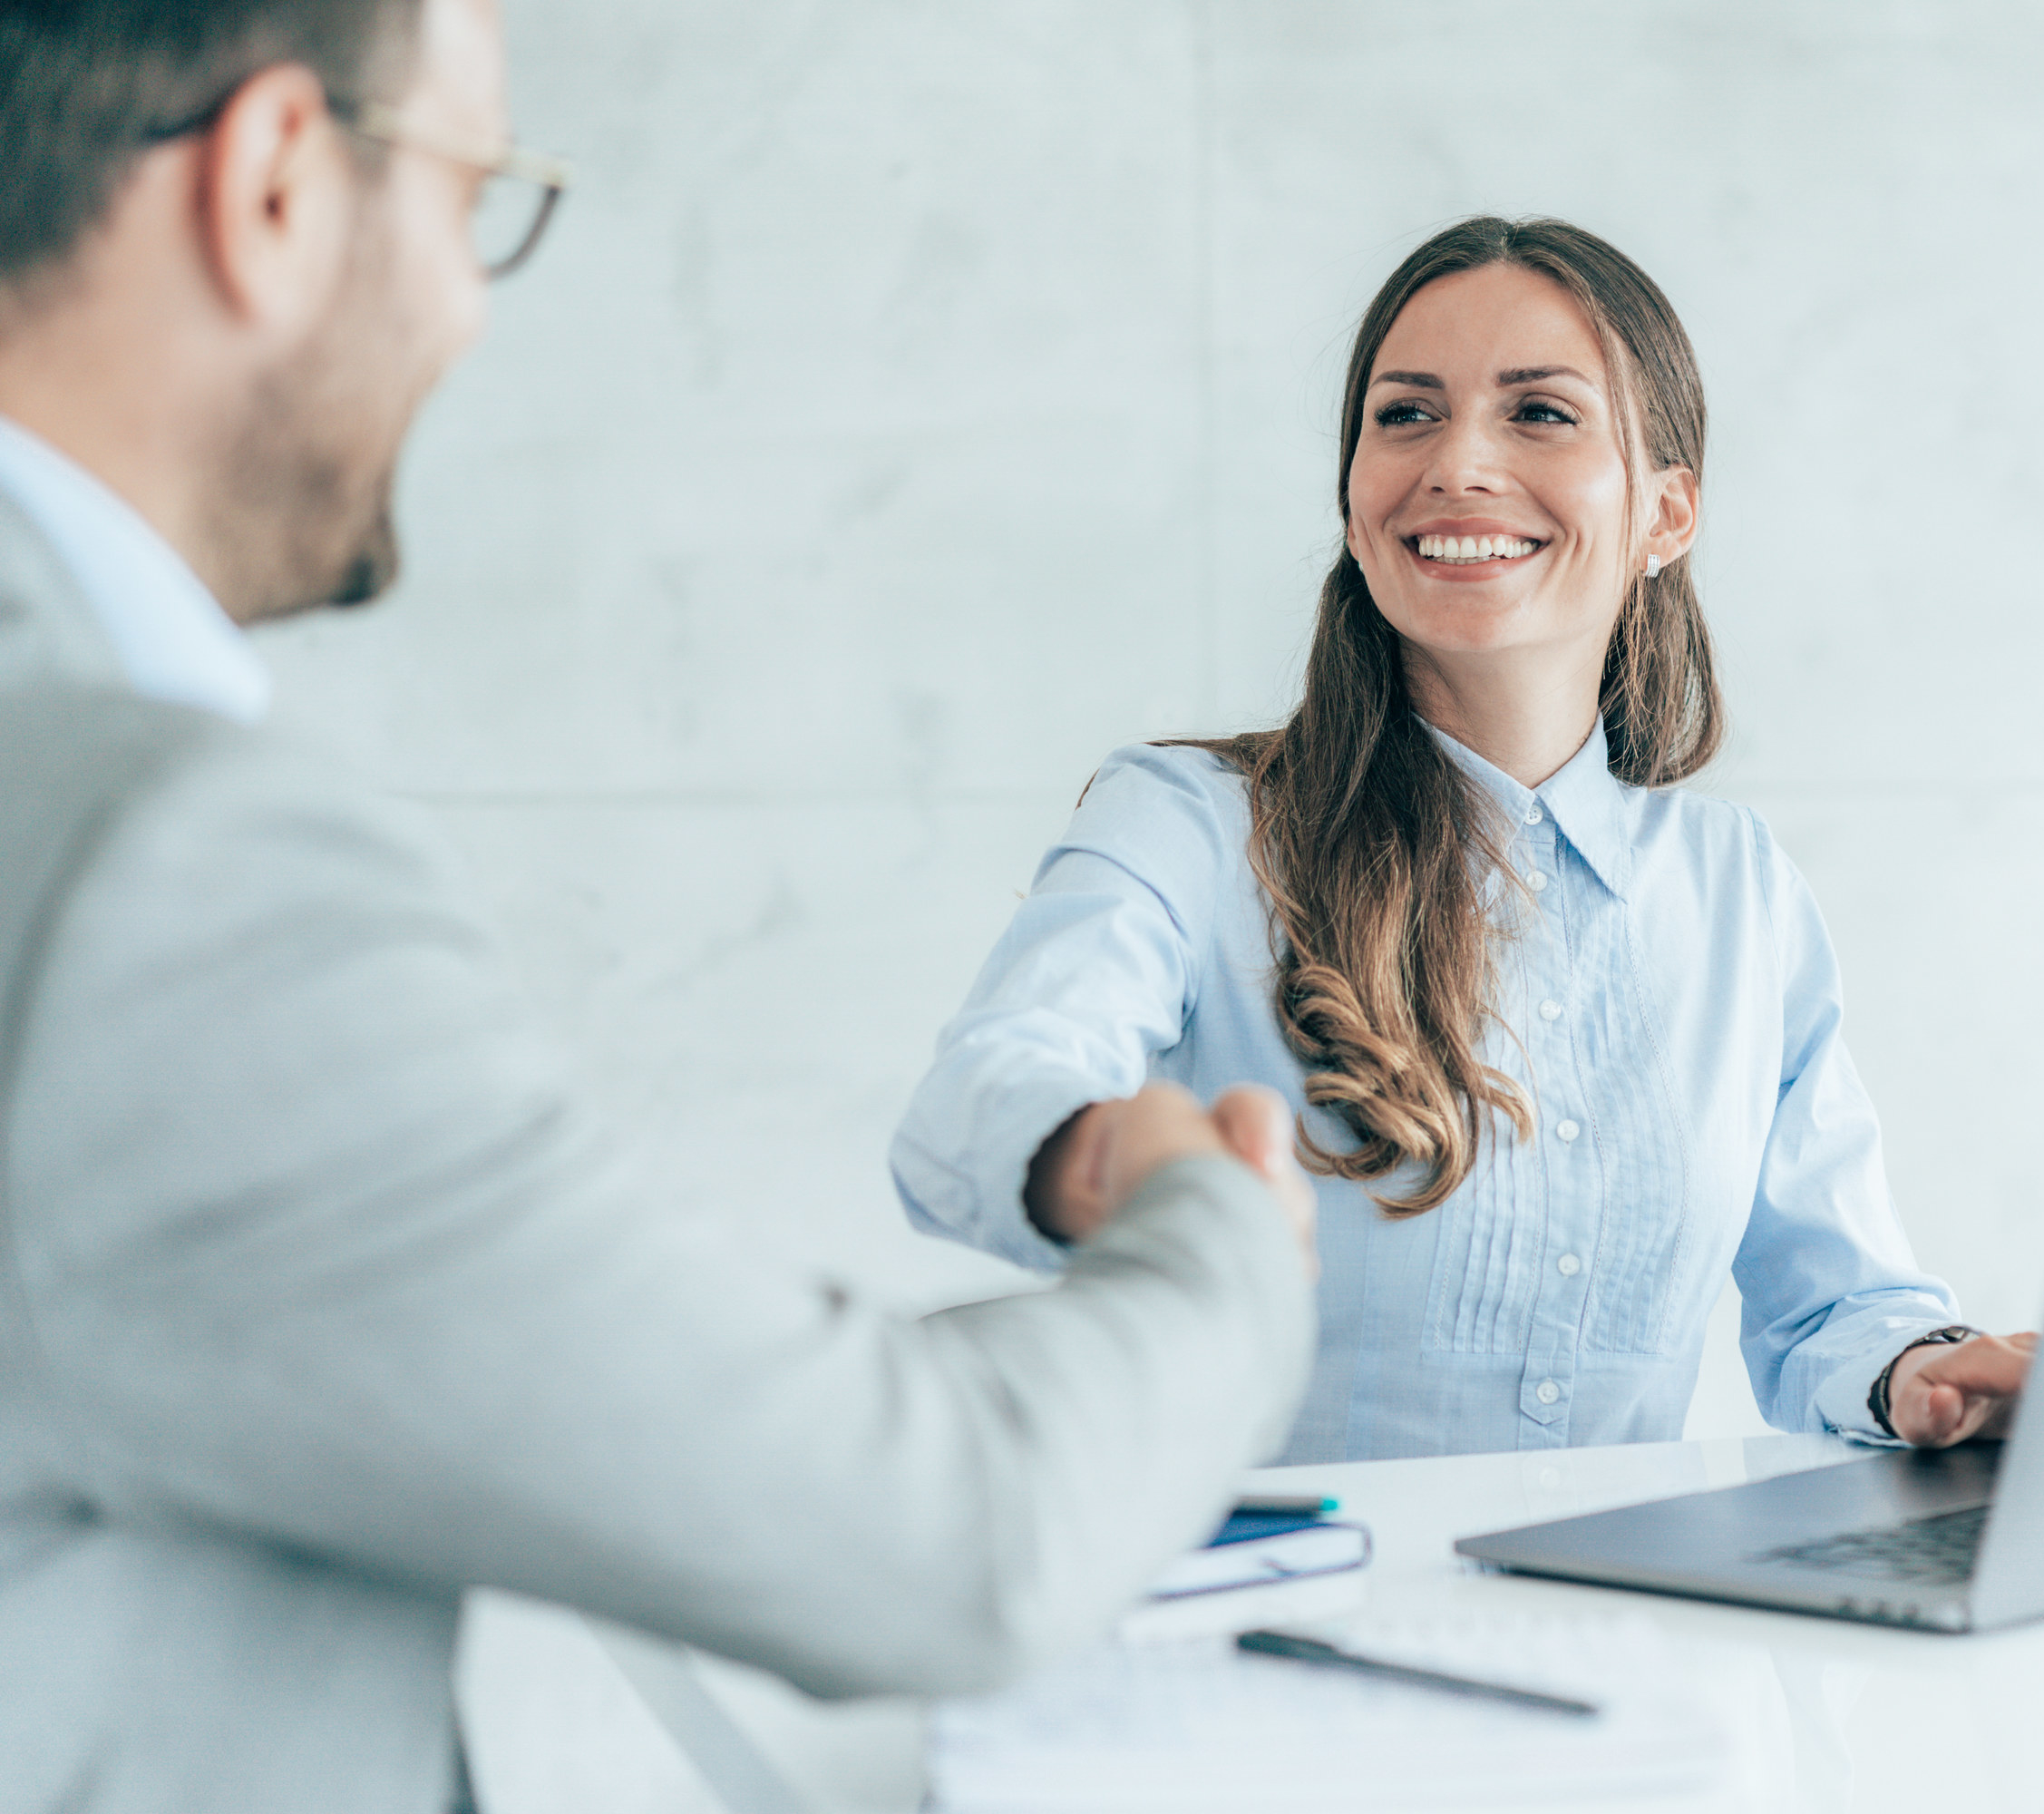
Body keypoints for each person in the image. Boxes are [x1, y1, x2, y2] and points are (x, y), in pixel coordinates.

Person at [0, 2, 1316, 1809]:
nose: (468, 306)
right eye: (479, 200)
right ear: (279, 182)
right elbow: (945, 1536)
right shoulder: (149, 871)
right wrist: (1212, 1227)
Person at [893, 216, 2036, 1466]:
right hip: (1256, 1629)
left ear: (1667, 513)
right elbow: (971, 1110)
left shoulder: (1737, 890)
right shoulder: (1188, 826)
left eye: (1540, 413)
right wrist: (1116, 1153)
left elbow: (1837, 1307)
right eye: (1406, 415)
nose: (1458, 466)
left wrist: (1929, 1376)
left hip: (1620, 1624)